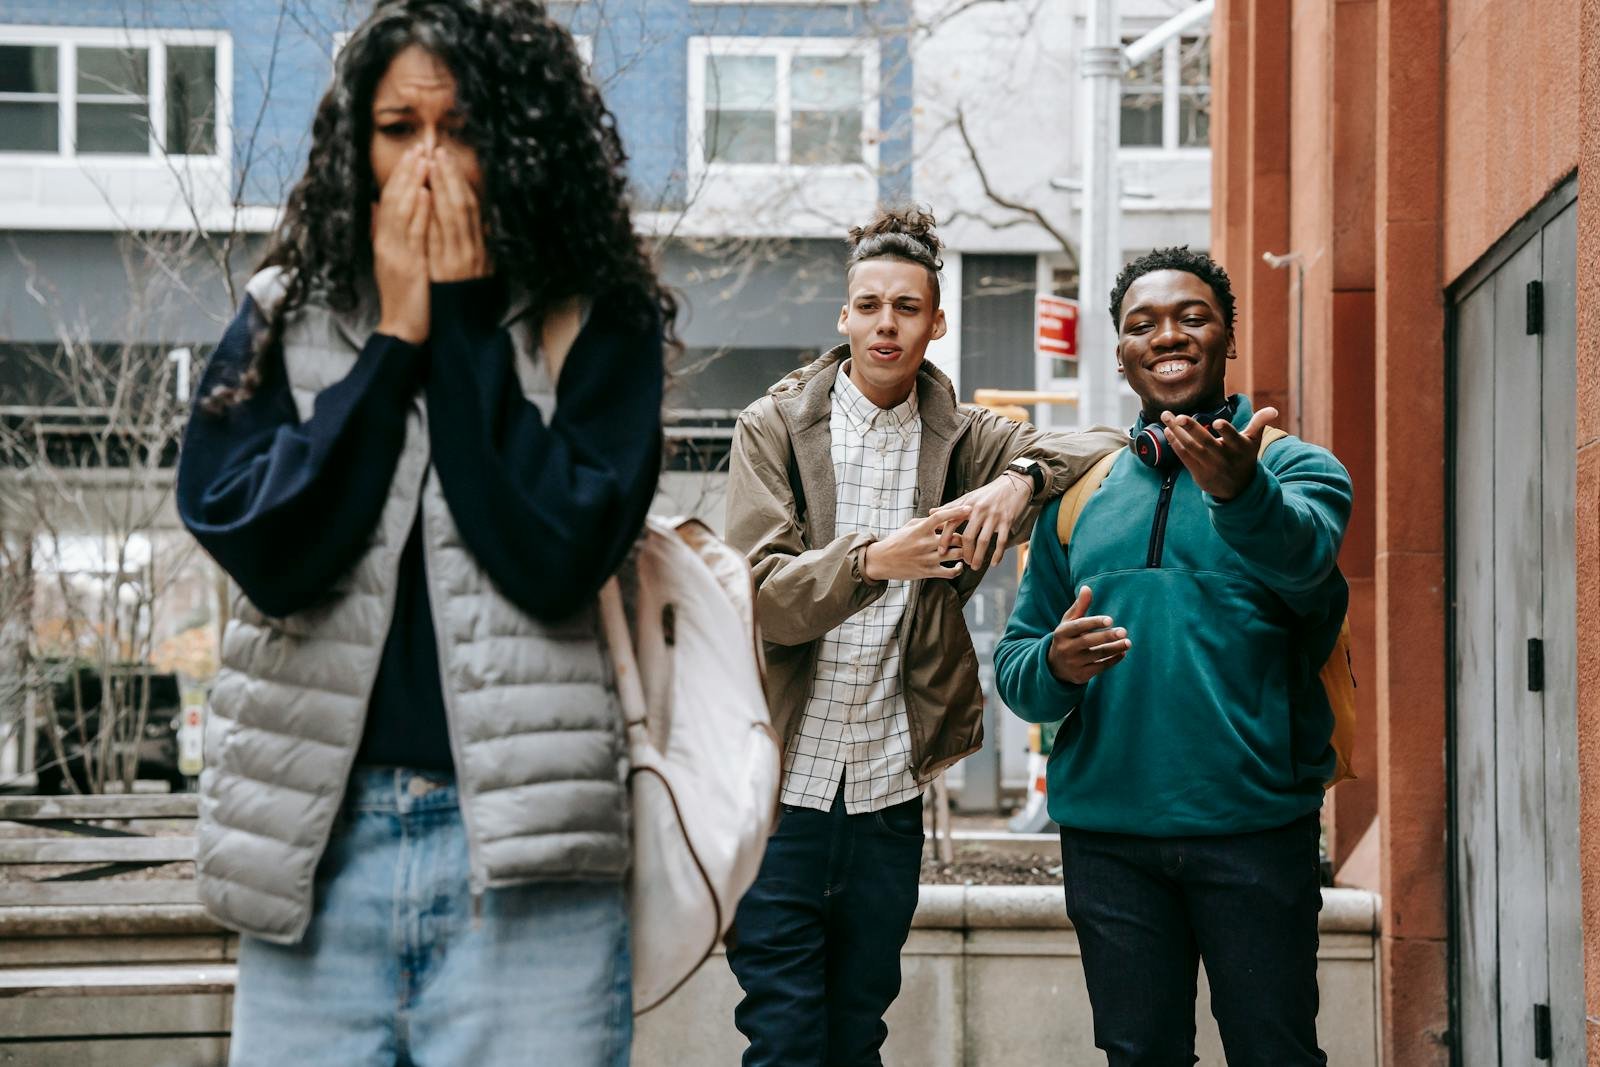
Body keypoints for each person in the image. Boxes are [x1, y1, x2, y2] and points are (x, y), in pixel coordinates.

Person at [175, 3, 671, 1063]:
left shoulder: (597, 313)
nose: (430, 162)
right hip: (314, 855)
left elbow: (553, 555)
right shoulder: (281, 309)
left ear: (520, 142)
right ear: (359, 144)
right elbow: (264, 545)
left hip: (527, 870)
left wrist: (462, 323)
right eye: (401, 128)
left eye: (464, 128)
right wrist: (391, 343)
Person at [721, 206, 1124, 1066]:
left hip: (885, 794)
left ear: (935, 323)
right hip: (778, 791)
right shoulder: (775, 427)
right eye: (868, 305)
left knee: (859, 1033)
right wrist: (874, 560)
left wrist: (1019, 481)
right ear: (844, 316)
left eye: (906, 307)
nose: (885, 324)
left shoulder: (965, 437)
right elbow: (762, 598)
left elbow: (1105, 442)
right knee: (784, 1036)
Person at [994, 246, 1352, 1066]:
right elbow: (1017, 667)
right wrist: (1056, 663)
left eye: (1193, 316)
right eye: (1142, 324)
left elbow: (1307, 569)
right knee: (1138, 1054)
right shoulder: (1078, 496)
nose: (1169, 335)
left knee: (1277, 1051)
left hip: (1256, 830)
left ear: (1228, 337)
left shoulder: (1295, 468)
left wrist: (1240, 491)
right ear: (1122, 356)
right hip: (1109, 842)